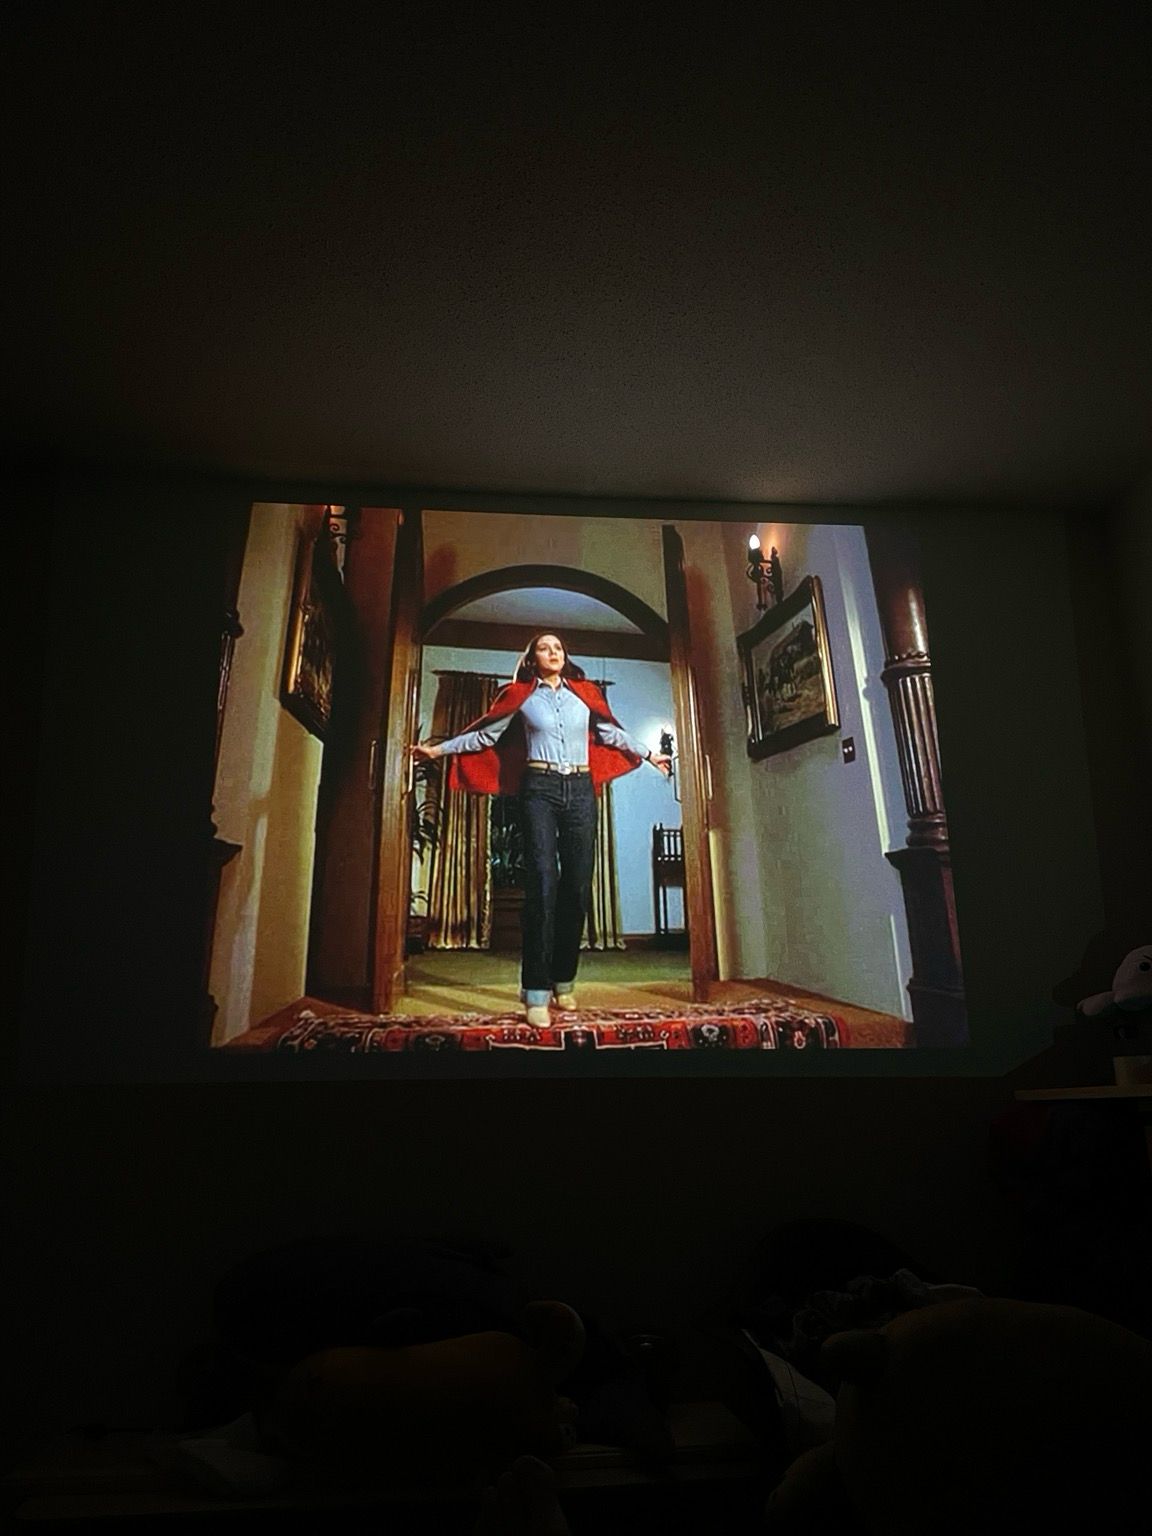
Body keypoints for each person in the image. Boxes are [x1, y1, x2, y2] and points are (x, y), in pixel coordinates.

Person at [411, 632, 671, 1026]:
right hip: (539, 789)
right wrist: (437, 750)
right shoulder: (520, 696)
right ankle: (535, 991)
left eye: (559, 648)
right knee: (542, 883)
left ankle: (563, 980)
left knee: (578, 885)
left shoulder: (585, 694)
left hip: (581, 790)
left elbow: (610, 734)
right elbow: (485, 734)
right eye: (545, 648)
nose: (554, 652)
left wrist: (651, 755)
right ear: (532, 659)